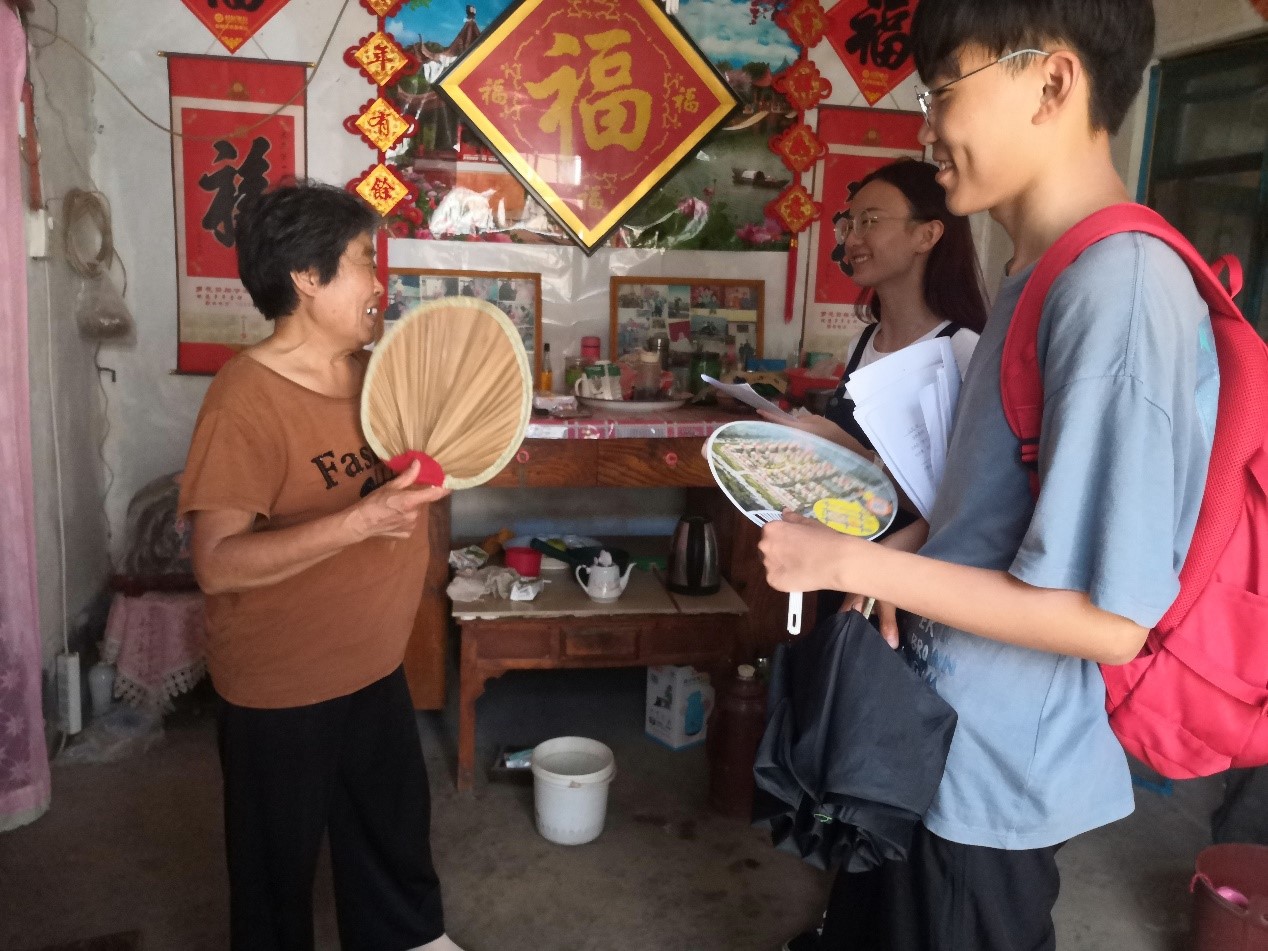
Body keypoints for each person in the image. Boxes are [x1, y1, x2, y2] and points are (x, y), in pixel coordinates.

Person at [758, 0, 1219, 948]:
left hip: (987, 783)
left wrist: (849, 562)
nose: (927, 131)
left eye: (943, 92)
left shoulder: (1119, 290)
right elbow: (994, 508)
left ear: (1051, 82)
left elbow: (1107, 621)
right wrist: (907, 549)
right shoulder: (1039, 271)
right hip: (930, 741)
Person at [177, 181, 466, 951]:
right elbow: (217, 563)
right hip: (283, 685)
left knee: (392, 847)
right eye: (365, 259)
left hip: (374, 663)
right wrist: (361, 520)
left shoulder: (376, 373)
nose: (379, 282)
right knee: (276, 877)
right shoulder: (244, 399)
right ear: (307, 276)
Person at [770, 160, 988, 951]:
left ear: (929, 234)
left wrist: (874, 571)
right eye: (848, 221)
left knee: (889, 767)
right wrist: (815, 438)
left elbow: (967, 505)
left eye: (871, 219)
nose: (851, 236)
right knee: (842, 758)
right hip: (850, 578)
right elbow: (874, 469)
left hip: (909, 599)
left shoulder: (964, 351)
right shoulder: (866, 339)